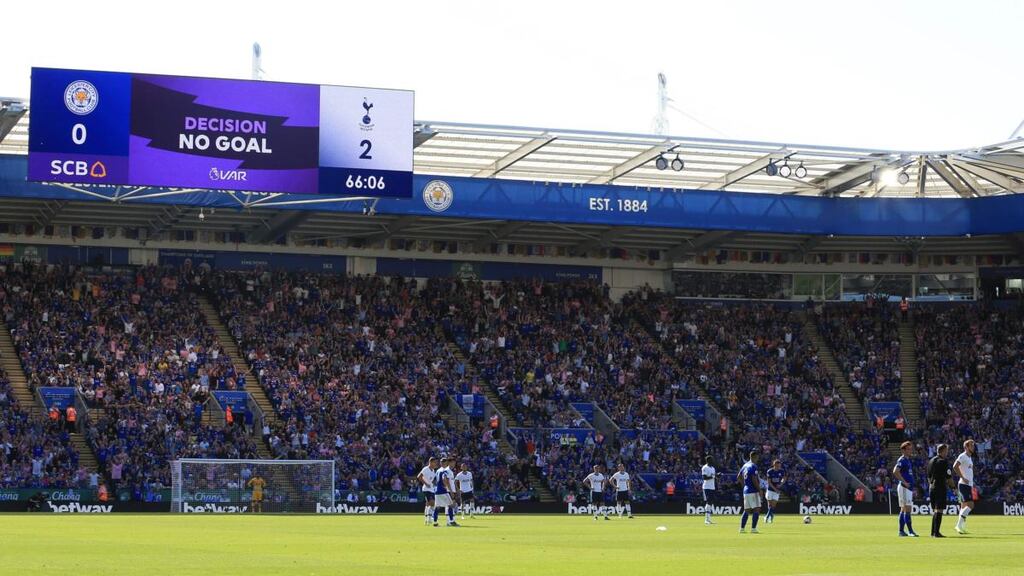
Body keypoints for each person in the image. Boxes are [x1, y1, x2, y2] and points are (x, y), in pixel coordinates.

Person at [893, 441, 919, 537]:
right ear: (903, 450)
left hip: (908, 488)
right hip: (904, 488)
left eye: (910, 449)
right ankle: (910, 531)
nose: (910, 450)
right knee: (907, 509)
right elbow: (895, 471)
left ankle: (901, 531)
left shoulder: (907, 460)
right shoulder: (902, 460)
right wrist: (904, 482)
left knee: (904, 509)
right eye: (908, 449)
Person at [927, 443, 954, 538]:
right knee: (939, 510)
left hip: (932, 488)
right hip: (940, 487)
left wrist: (931, 485)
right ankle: (936, 533)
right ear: (942, 451)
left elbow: (928, 477)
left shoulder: (931, 461)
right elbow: (949, 477)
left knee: (935, 510)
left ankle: (932, 532)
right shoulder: (943, 462)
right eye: (946, 451)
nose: (947, 453)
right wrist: (954, 488)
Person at [953, 439, 977, 535]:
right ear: (966, 447)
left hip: (968, 484)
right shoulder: (962, 456)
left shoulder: (969, 457)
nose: (973, 447)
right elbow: (955, 466)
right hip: (963, 484)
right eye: (971, 445)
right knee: (971, 505)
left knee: (963, 506)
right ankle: (958, 525)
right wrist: (962, 477)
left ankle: (961, 527)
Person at [736, 451, 762, 534]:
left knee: (746, 510)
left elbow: (739, 477)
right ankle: (753, 529)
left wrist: (744, 486)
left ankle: (742, 529)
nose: (758, 459)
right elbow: (754, 479)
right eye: (757, 457)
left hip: (746, 491)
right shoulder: (753, 466)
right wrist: (759, 490)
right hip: (753, 491)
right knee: (756, 509)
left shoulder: (745, 465)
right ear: (754, 456)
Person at [432, 457, 459, 527]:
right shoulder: (445, 471)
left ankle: (435, 522)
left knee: (437, 507)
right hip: (443, 491)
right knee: (450, 505)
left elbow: (435, 480)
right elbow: (445, 479)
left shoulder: (438, 470)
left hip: (437, 490)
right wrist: (448, 488)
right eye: (444, 462)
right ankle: (451, 521)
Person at [417, 457, 438, 526]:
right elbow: (419, 476)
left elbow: (431, 480)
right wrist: (425, 483)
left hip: (431, 489)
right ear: (431, 462)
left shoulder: (433, 471)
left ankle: (426, 519)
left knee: (428, 504)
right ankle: (429, 518)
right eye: (435, 462)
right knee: (432, 503)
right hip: (426, 489)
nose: (436, 464)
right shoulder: (426, 469)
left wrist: (433, 484)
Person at [764, 459, 785, 524]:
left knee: (773, 505)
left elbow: (784, 478)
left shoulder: (781, 471)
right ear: (774, 465)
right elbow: (769, 482)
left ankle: (767, 517)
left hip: (777, 491)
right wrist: (775, 489)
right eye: (777, 466)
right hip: (770, 490)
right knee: (769, 505)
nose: (779, 467)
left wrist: (781, 484)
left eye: (779, 466)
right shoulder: (769, 471)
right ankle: (771, 517)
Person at [701, 456, 716, 525]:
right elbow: (704, 478)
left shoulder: (713, 468)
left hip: (712, 487)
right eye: (711, 460)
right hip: (706, 487)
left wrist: (717, 476)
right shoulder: (704, 468)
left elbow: (713, 477)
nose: (713, 461)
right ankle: (706, 519)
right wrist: (713, 476)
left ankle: (708, 519)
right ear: (708, 461)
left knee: (710, 502)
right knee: (708, 501)